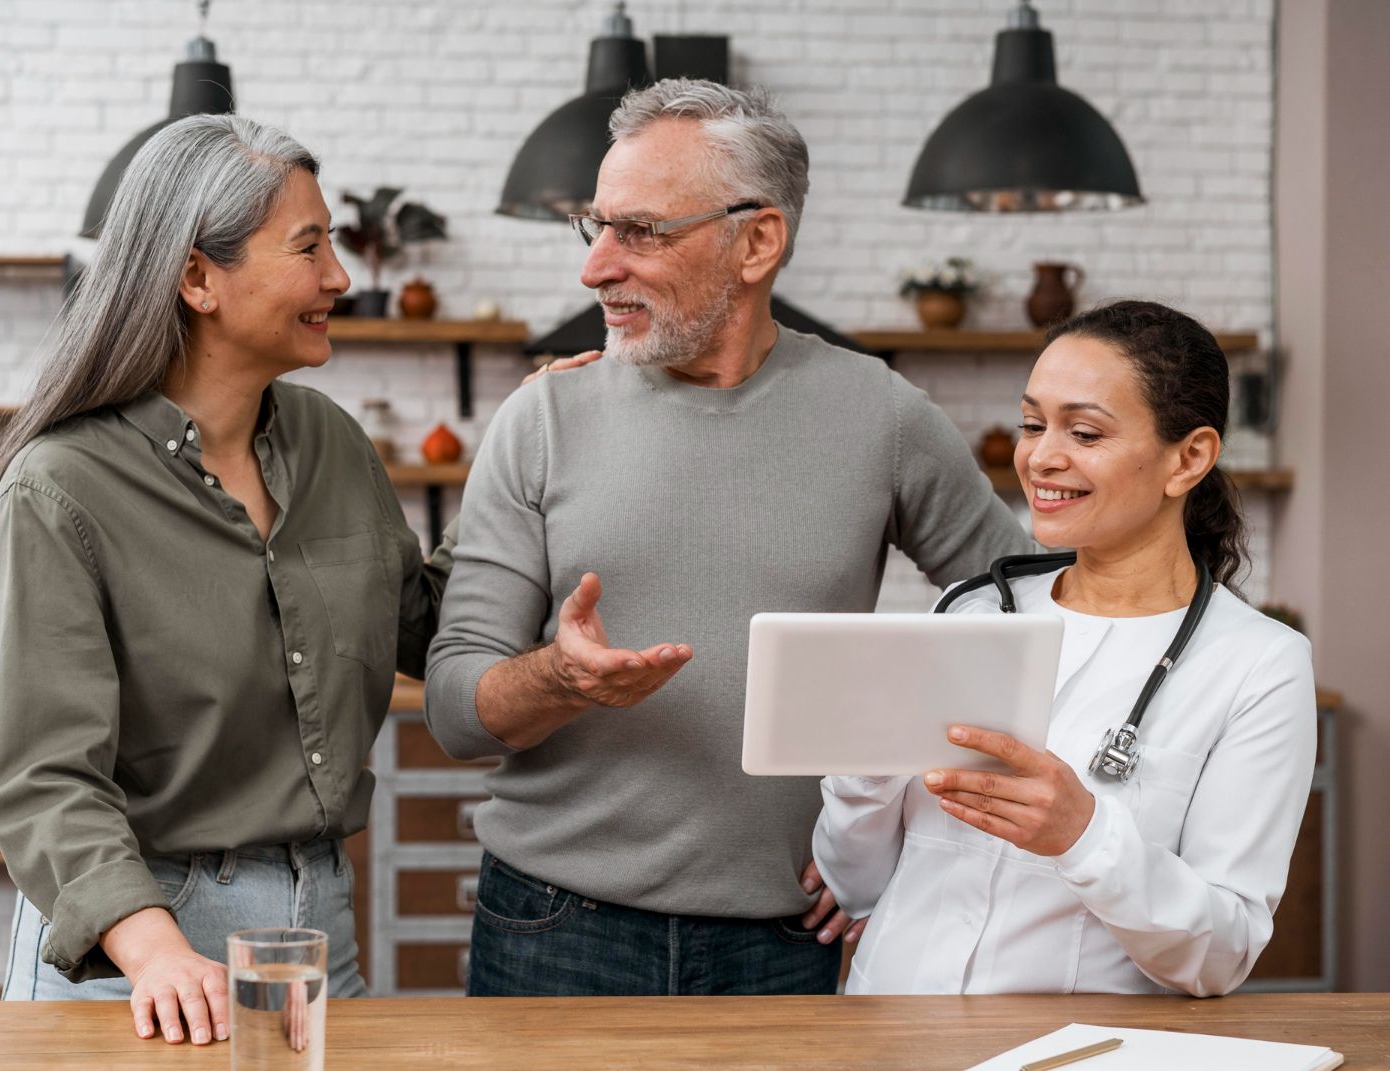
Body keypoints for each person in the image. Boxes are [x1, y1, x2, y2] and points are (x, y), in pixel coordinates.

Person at [423, 78, 1031, 997]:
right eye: (596, 229)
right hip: (554, 928)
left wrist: (891, 821)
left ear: (757, 241)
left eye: (641, 231)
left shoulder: (883, 417)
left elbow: (1025, 621)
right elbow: (455, 711)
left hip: (783, 938)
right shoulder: (543, 417)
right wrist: (560, 675)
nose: (595, 269)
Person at [0, 115, 453, 1045]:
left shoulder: (331, 445)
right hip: (134, 952)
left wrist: (541, 453)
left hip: (316, 927)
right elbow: (46, 779)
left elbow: (429, 627)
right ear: (197, 277)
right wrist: (155, 950)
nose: (339, 278)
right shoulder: (60, 487)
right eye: (308, 247)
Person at [812, 300, 1317, 996]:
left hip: (1072, 1049)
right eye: (1031, 424)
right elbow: (858, 883)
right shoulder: (967, 610)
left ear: (1190, 456)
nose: (1041, 456)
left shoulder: (1259, 665)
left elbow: (1220, 953)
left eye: (1083, 431)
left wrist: (1084, 837)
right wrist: (861, 769)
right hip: (889, 1028)